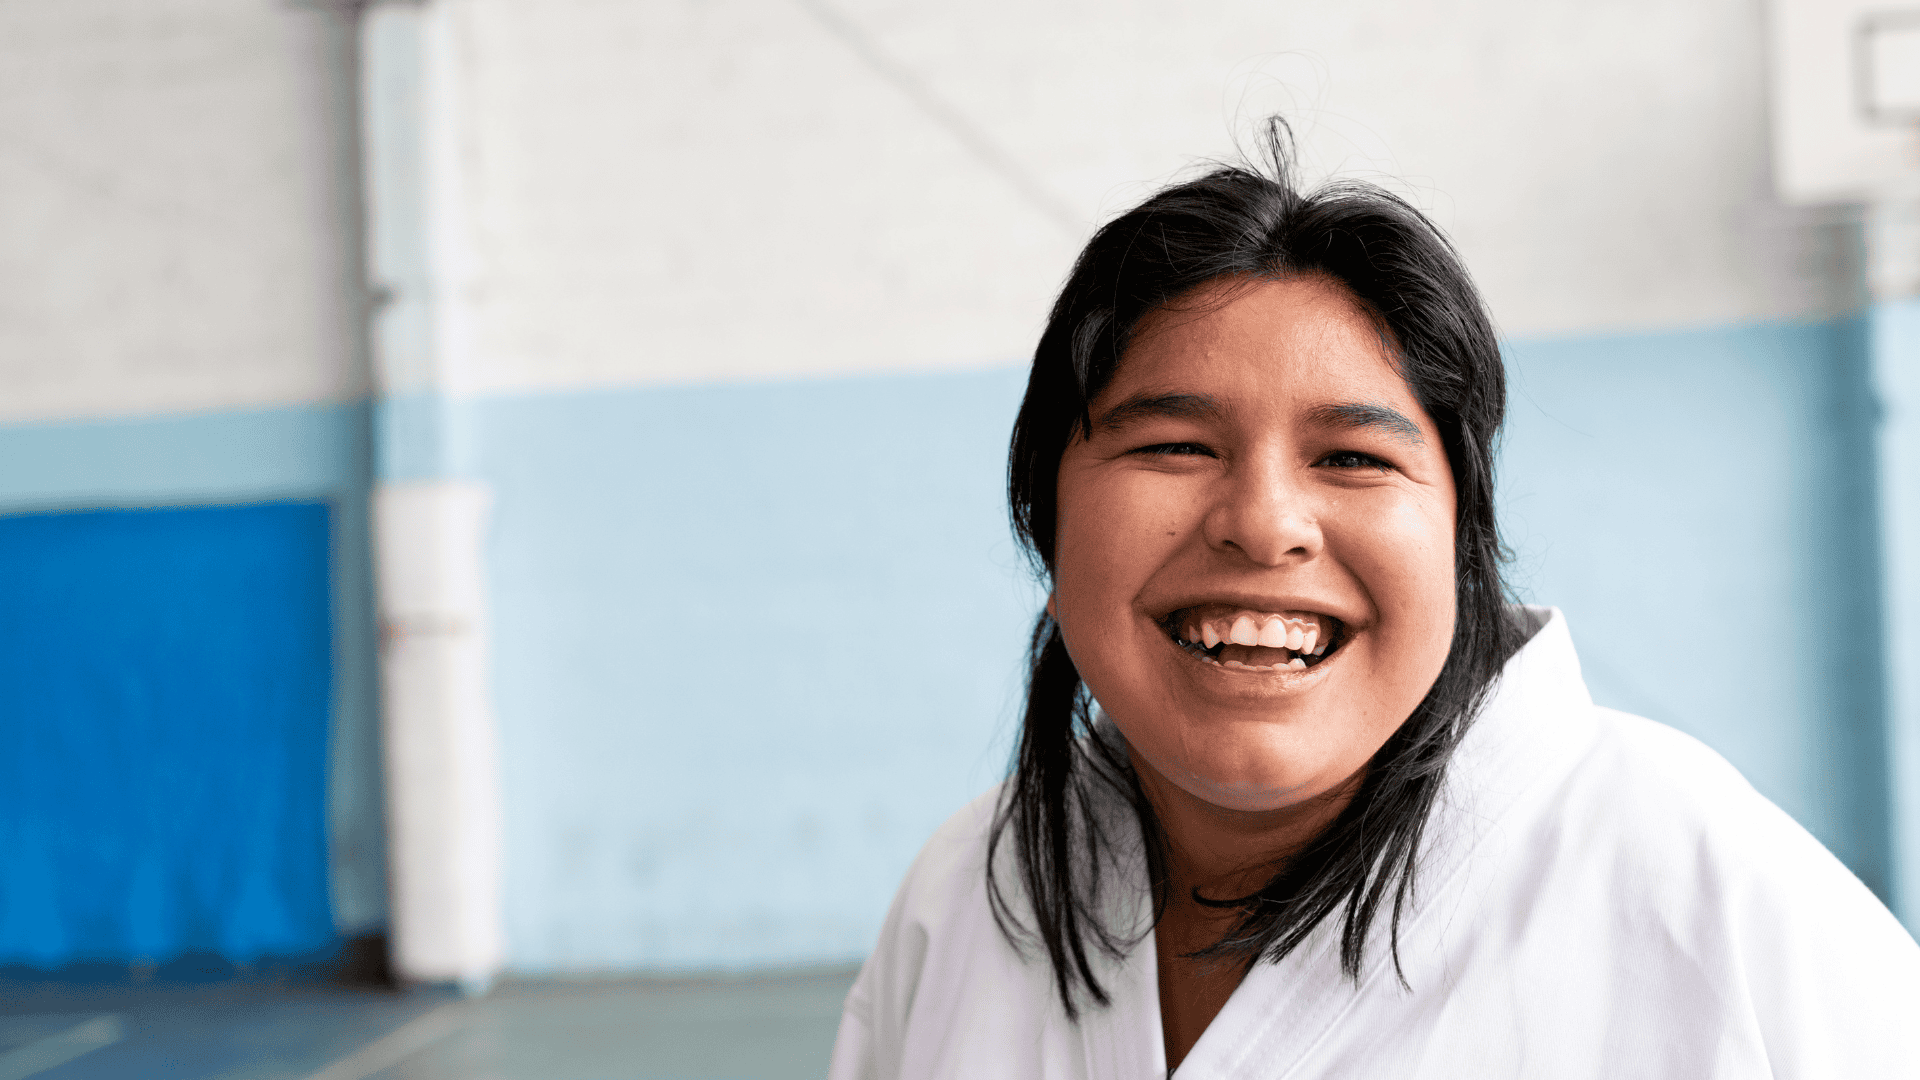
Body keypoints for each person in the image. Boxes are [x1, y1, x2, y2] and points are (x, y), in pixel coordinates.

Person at [827, 127, 1920, 1079]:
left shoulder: (1706, 895)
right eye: (1174, 445)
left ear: (1461, 540)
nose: (1264, 524)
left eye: (1352, 457)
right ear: (1045, 516)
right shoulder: (969, 899)